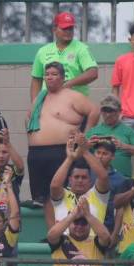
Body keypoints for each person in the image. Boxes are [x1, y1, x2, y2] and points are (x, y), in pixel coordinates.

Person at [26, 62, 98, 205]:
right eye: (47, 75)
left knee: (63, 197)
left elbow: (94, 111)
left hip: (61, 152)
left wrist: (85, 135)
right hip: (36, 154)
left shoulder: (72, 96)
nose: (49, 77)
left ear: (63, 77)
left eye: (54, 74)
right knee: (40, 200)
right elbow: (28, 118)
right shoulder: (40, 98)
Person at [29, 11, 98, 103]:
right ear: (54, 29)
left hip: (76, 105)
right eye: (64, 28)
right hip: (49, 104)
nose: (68, 32)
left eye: (71, 28)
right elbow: (36, 80)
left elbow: (93, 73)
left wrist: (67, 85)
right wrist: (35, 104)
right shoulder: (43, 51)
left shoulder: (81, 48)